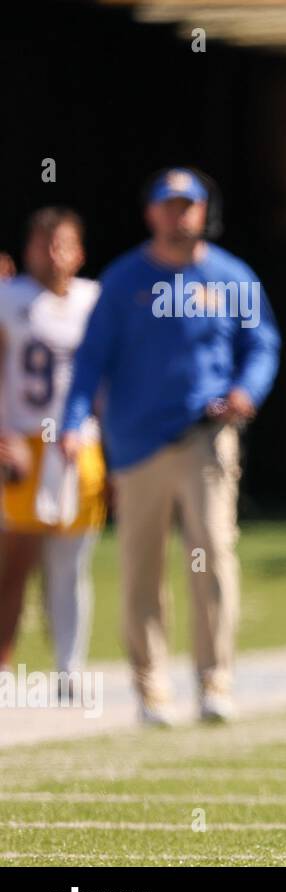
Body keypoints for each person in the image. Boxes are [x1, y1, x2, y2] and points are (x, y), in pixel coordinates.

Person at [60, 168, 281, 726]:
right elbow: (91, 360)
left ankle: (215, 681)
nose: (179, 215)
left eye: (190, 205)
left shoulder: (231, 276)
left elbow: (262, 345)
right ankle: (150, 687)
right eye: (169, 205)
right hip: (137, 443)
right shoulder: (124, 278)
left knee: (214, 557)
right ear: (151, 213)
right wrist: (71, 419)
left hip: (206, 440)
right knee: (141, 568)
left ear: (206, 211)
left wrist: (245, 392)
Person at [0, 208, 106, 691]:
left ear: (79, 252)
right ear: (28, 250)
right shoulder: (9, 298)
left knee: (71, 565)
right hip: (22, 441)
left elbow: (108, 379)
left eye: (62, 244)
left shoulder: (95, 300)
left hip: (76, 445)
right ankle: (4, 667)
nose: (53, 254)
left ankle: (69, 670)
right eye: (44, 244)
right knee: (14, 564)